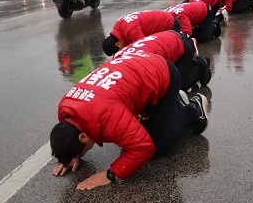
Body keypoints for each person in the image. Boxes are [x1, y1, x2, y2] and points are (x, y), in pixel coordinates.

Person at [50, 53, 209, 190]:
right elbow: (67, 132)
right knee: (134, 134)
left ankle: (193, 110)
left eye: (82, 152)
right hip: (138, 69)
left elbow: (143, 147)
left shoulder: (106, 115)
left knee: (158, 148)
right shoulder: (66, 110)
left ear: (83, 136)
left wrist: (111, 174)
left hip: (163, 76)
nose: (83, 154)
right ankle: (175, 104)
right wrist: (70, 155)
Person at [108, 30, 212, 92]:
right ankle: (191, 62)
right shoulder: (118, 59)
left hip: (181, 44)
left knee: (178, 88)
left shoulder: (140, 65)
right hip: (169, 38)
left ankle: (201, 64)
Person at [102, 10, 181, 55]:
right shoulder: (119, 27)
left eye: (118, 52)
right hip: (165, 19)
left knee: (166, 55)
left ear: (117, 44)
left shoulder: (131, 31)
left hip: (170, 25)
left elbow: (146, 50)